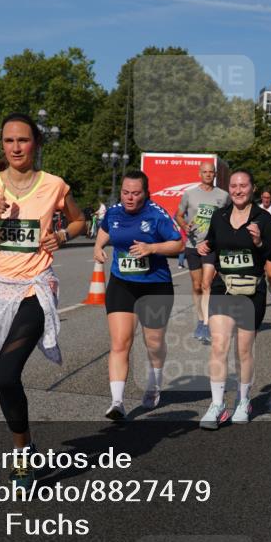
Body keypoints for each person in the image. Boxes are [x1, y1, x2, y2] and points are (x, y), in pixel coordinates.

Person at [0, 112, 86, 492]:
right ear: (3, 145)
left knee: (6, 373)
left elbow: (80, 222)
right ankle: (27, 445)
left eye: (23, 140)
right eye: (9, 141)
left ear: (36, 144)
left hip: (35, 288)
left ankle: (19, 458)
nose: (15, 147)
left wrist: (62, 236)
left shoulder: (53, 186)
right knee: (5, 379)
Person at [94, 170, 184, 420]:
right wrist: (98, 247)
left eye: (135, 193)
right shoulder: (113, 212)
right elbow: (105, 230)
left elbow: (178, 244)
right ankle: (117, 402)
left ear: (145, 193)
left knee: (153, 343)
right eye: (125, 192)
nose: (129, 198)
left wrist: (152, 247)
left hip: (155, 286)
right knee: (120, 342)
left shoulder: (156, 215)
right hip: (122, 284)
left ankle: (155, 382)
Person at [196, 170, 271, 429]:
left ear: (252, 188)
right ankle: (217, 404)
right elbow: (212, 242)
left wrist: (258, 242)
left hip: (251, 291)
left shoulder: (264, 219)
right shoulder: (219, 216)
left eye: (243, 185)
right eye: (233, 186)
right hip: (224, 287)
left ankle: (243, 401)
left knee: (243, 350)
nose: (238, 190)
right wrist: (205, 246)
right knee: (218, 345)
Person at [175, 162, 230, 344]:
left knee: (207, 284)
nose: (208, 175)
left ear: (214, 174)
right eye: (204, 172)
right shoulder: (190, 194)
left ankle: (207, 324)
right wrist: (184, 225)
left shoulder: (223, 196)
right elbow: (179, 214)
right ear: (199, 174)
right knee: (197, 286)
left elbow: (229, 217)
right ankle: (200, 319)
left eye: (210, 172)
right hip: (192, 245)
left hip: (210, 245)